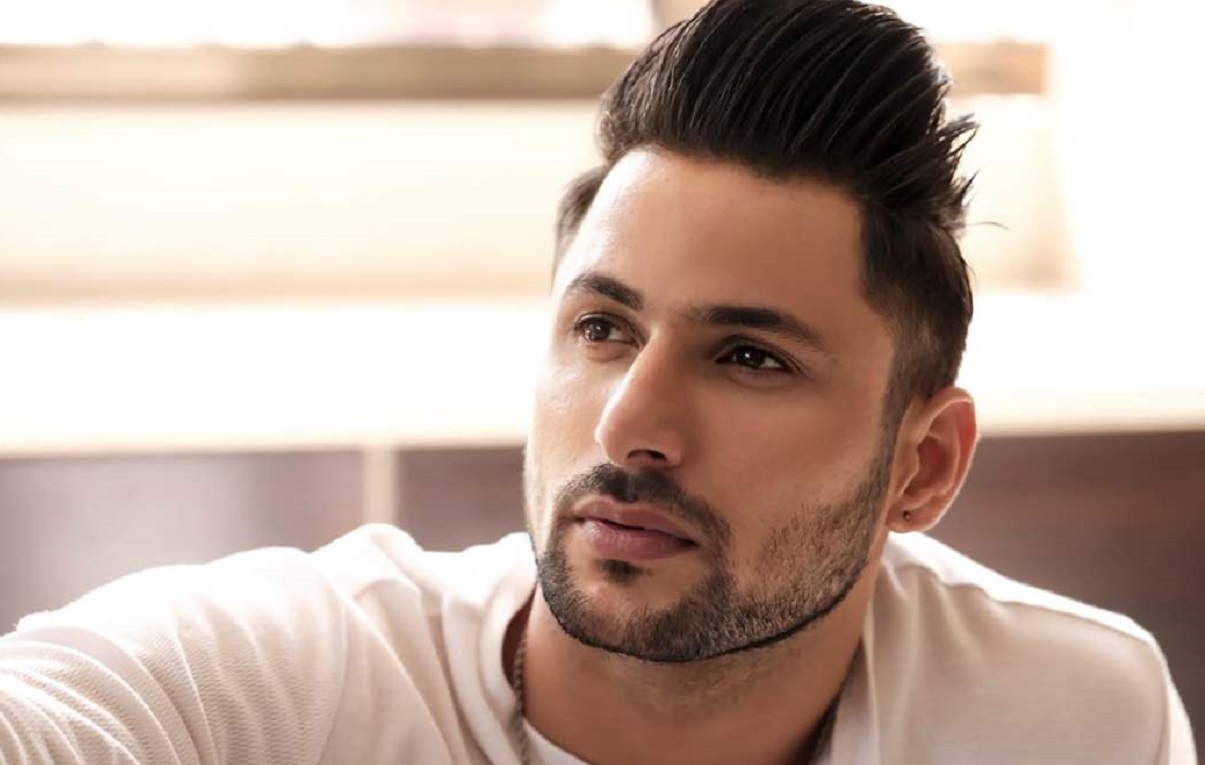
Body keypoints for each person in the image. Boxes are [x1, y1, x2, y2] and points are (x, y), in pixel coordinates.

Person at [0, 0, 1196, 763]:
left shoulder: (1069, 715)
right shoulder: (276, 684)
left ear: (919, 467)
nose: (630, 423)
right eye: (602, 329)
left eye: (748, 357)